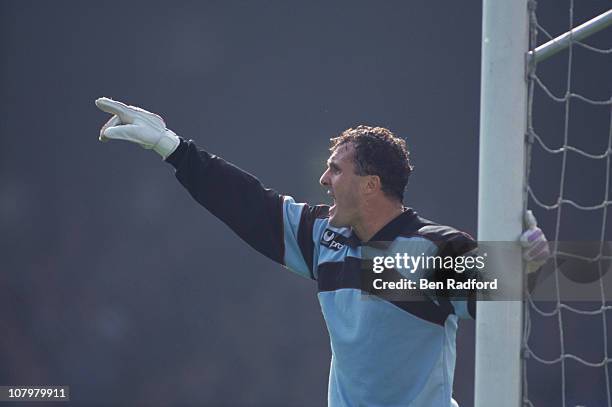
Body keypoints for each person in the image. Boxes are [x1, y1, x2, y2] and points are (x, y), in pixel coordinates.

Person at [95, 97, 550, 407]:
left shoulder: (428, 249)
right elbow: (247, 203)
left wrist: (527, 266)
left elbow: (512, 294)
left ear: (370, 184)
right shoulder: (325, 239)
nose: (323, 180)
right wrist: (170, 146)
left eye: (335, 169)